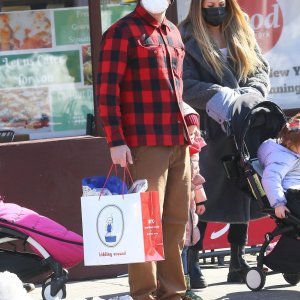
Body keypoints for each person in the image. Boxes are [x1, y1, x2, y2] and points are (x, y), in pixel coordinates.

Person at [97, 0, 192, 299]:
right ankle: (143, 294)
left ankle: (173, 293)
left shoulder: (174, 33)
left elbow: (178, 91)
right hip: (144, 144)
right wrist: (115, 140)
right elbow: (106, 92)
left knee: (175, 224)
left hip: (180, 142)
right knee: (144, 224)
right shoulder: (121, 32)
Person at [178, 0, 270, 284]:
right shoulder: (186, 35)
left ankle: (238, 258)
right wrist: (218, 94)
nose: (216, 8)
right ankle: (192, 260)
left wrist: (250, 94)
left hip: (243, 121)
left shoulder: (240, 26)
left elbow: (260, 69)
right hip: (208, 126)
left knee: (244, 187)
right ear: (198, 5)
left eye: (220, 3)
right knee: (205, 192)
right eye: (210, 4)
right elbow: (184, 82)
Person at [182, 105, 207, 299]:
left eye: (194, 133)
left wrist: (200, 201)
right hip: (180, 204)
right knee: (179, 245)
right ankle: (181, 283)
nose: (192, 137)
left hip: (190, 205)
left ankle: (186, 281)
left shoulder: (194, 150)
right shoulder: (179, 151)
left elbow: (196, 178)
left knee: (188, 243)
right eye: (188, 133)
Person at [258, 114, 300, 229]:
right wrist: (279, 203)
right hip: (291, 196)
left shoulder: (291, 152)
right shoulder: (281, 159)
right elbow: (271, 179)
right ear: (290, 143)